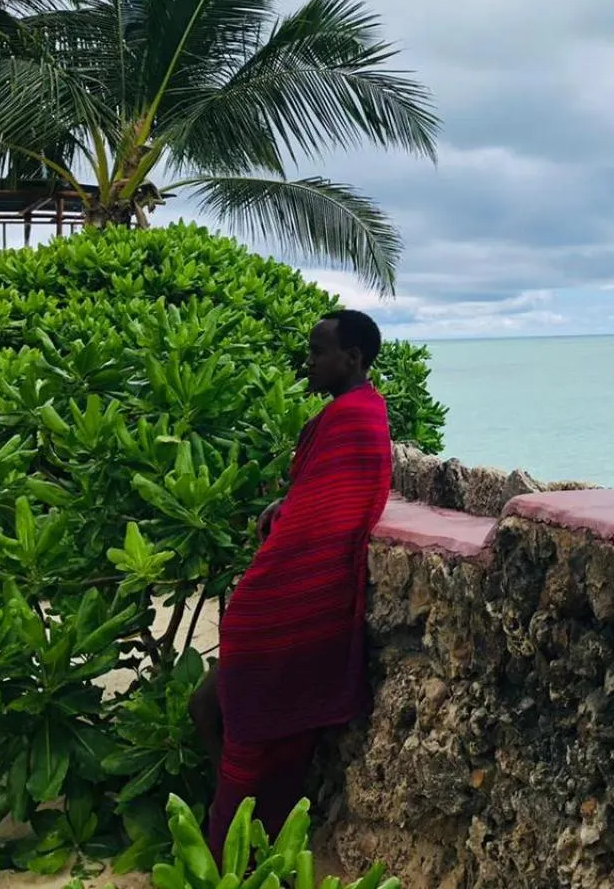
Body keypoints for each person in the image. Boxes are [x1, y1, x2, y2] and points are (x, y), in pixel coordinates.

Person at [190, 309, 393, 856]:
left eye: (318, 351)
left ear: (351, 358)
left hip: (303, 603)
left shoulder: (357, 417)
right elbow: (318, 497)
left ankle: (236, 833)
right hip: (296, 599)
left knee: (238, 720)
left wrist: (284, 532)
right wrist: (287, 503)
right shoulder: (348, 413)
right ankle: (236, 810)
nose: (309, 361)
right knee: (210, 708)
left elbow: (335, 518)